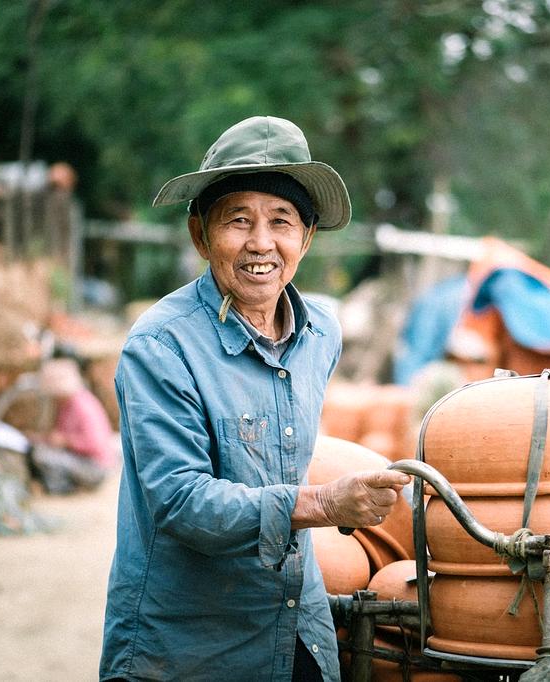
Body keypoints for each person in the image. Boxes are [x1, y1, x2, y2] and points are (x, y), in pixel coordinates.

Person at [100, 116, 411, 682]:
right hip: (188, 647)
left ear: (306, 238)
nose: (261, 243)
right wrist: (323, 504)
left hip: (295, 627)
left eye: (281, 221)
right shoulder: (161, 346)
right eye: (238, 220)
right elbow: (182, 502)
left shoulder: (321, 334)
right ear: (201, 236)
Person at [28, 358, 115, 494]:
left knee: (43, 456)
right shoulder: (65, 405)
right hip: (83, 461)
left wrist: (66, 441)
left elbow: (95, 443)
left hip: (96, 467)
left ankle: (62, 489)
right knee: (40, 450)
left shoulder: (82, 406)